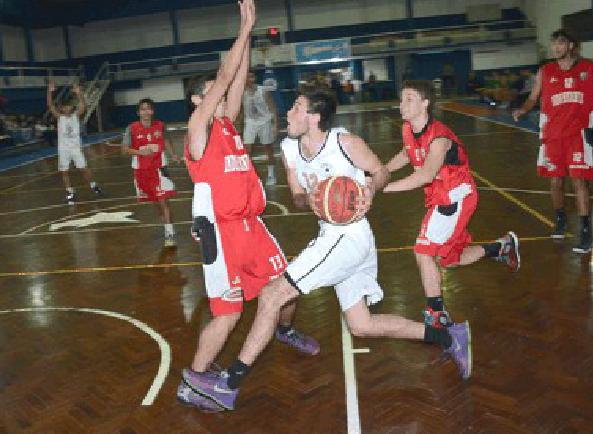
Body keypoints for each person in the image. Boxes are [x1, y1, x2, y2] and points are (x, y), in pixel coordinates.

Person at [184, 87, 474, 412]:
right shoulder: (289, 149)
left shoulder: (345, 143)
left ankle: (229, 384)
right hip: (334, 236)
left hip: (349, 237)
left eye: (296, 107)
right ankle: (449, 337)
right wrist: (310, 199)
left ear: (314, 117)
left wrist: (368, 191)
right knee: (362, 325)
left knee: (272, 295)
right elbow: (296, 196)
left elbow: (380, 171)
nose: (288, 113)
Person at [177, 0, 317, 412]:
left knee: (288, 290)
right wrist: (242, 28)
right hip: (220, 235)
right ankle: (195, 379)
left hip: (251, 226)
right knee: (229, 314)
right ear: (197, 101)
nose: (220, 98)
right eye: (210, 94)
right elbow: (225, 78)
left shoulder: (226, 124)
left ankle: (283, 330)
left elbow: (235, 80)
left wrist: (251, 35)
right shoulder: (198, 127)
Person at [380, 81, 519, 366]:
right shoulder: (409, 129)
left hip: (454, 196)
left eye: (408, 99)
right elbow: (408, 154)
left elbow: (424, 175)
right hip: (440, 197)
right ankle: (501, 247)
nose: (401, 104)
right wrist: (381, 172)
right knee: (449, 261)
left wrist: (380, 188)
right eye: (401, 99)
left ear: (425, 104)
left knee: (422, 252)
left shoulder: (439, 138)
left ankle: (439, 316)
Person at [512, 30, 593, 253]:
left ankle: (586, 231)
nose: (556, 47)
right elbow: (533, 97)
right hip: (552, 135)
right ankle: (560, 219)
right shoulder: (545, 71)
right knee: (555, 183)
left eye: (560, 43)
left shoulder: (588, 69)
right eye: (554, 44)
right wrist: (522, 109)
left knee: (579, 182)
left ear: (571, 45)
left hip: (578, 135)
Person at [121, 98, 179, 247]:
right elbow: (124, 150)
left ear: (152, 111)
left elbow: (165, 140)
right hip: (141, 171)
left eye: (148, 109)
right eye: (142, 109)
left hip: (160, 168)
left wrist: (172, 154)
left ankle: (169, 232)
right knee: (155, 202)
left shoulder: (160, 125)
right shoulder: (131, 128)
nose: (146, 112)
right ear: (138, 112)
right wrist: (140, 152)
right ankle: (167, 227)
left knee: (163, 200)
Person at [47, 81, 103, 204]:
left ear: (71, 108)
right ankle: (70, 191)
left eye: (69, 106)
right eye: (64, 107)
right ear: (61, 108)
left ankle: (94, 186)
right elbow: (50, 105)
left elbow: (83, 105)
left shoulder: (76, 116)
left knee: (83, 169)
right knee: (64, 171)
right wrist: (50, 92)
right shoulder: (59, 117)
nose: (67, 108)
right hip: (63, 150)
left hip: (76, 148)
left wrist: (79, 93)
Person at [242, 70, 279, 186]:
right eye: (248, 77)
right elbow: (240, 110)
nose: (250, 79)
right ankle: (249, 175)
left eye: (252, 76)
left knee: (268, 148)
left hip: (265, 121)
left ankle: (271, 173)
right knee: (246, 151)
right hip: (250, 122)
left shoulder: (262, 90)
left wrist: (276, 125)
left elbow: (272, 107)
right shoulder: (241, 92)